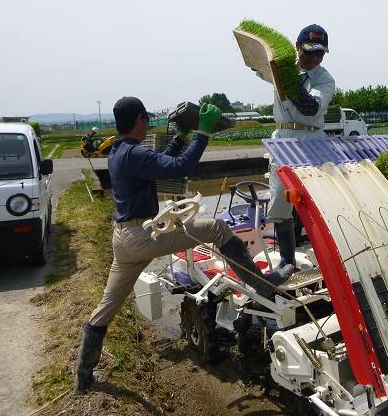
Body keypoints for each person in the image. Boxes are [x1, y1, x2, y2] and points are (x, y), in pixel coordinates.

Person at [74, 97, 293, 393]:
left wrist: (180, 137)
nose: (149, 122)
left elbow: (161, 162)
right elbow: (180, 167)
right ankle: (261, 284)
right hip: (144, 236)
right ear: (140, 119)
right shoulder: (135, 154)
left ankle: (84, 377)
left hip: (123, 240)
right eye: (146, 118)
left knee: (106, 307)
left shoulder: (119, 151)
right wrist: (203, 131)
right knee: (216, 227)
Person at [258, 24, 335, 268]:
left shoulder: (325, 80)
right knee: (281, 199)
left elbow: (310, 107)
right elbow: (258, 66)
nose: (315, 58)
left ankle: (327, 256)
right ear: (297, 47)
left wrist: (287, 81)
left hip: (312, 141)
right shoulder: (282, 70)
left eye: (320, 53)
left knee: (315, 200)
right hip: (282, 139)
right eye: (310, 52)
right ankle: (287, 261)